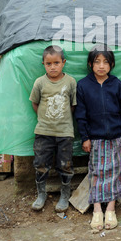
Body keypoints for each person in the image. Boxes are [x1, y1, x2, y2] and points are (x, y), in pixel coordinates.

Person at [75, 45, 121, 231]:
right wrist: (85, 137)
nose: (101, 66)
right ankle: (97, 210)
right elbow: (81, 114)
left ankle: (111, 209)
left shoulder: (117, 85)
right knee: (97, 173)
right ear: (90, 64)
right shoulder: (83, 85)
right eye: (97, 62)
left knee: (115, 172)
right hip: (95, 139)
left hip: (116, 138)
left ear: (112, 64)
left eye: (106, 62)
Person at [29, 45, 77, 212]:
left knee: (65, 164)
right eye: (48, 64)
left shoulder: (70, 82)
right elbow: (35, 103)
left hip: (65, 132)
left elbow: (72, 106)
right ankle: (41, 194)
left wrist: (61, 119)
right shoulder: (40, 82)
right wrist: (46, 119)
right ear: (43, 64)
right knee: (41, 163)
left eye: (56, 63)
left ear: (63, 63)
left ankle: (65, 194)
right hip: (43, 131)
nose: (53, 67)